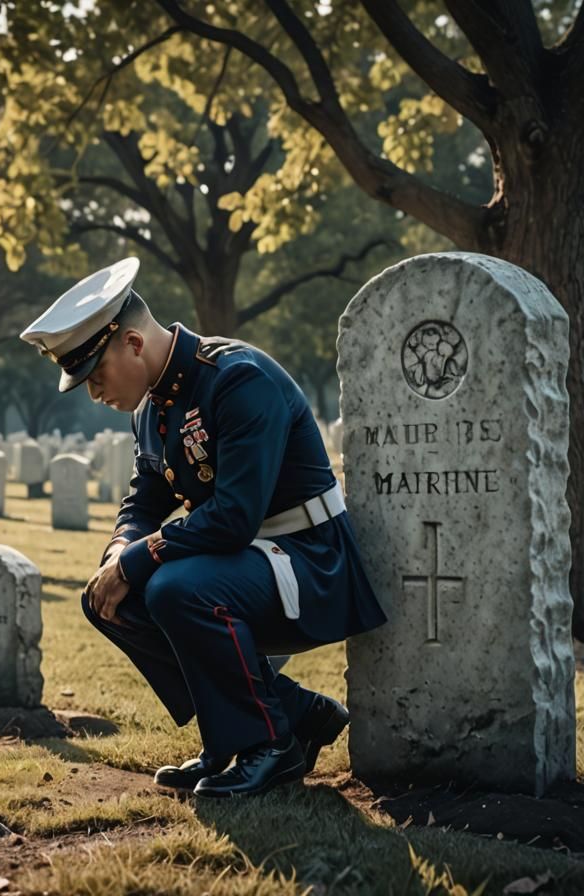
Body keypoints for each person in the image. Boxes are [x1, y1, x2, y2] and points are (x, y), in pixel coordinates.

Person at [20, 257, 387, 797]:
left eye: (96, 375)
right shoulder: (152, 410)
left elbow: (235, 519)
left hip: (311, 562)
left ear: (134, 344)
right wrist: (118, 552)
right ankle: (284, 719)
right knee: (106, 597)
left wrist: (139, 558)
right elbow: (143, 500)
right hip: (246, 564)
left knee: (174, 587)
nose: (95, 393)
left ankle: (270, 746)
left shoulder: (237, 378)